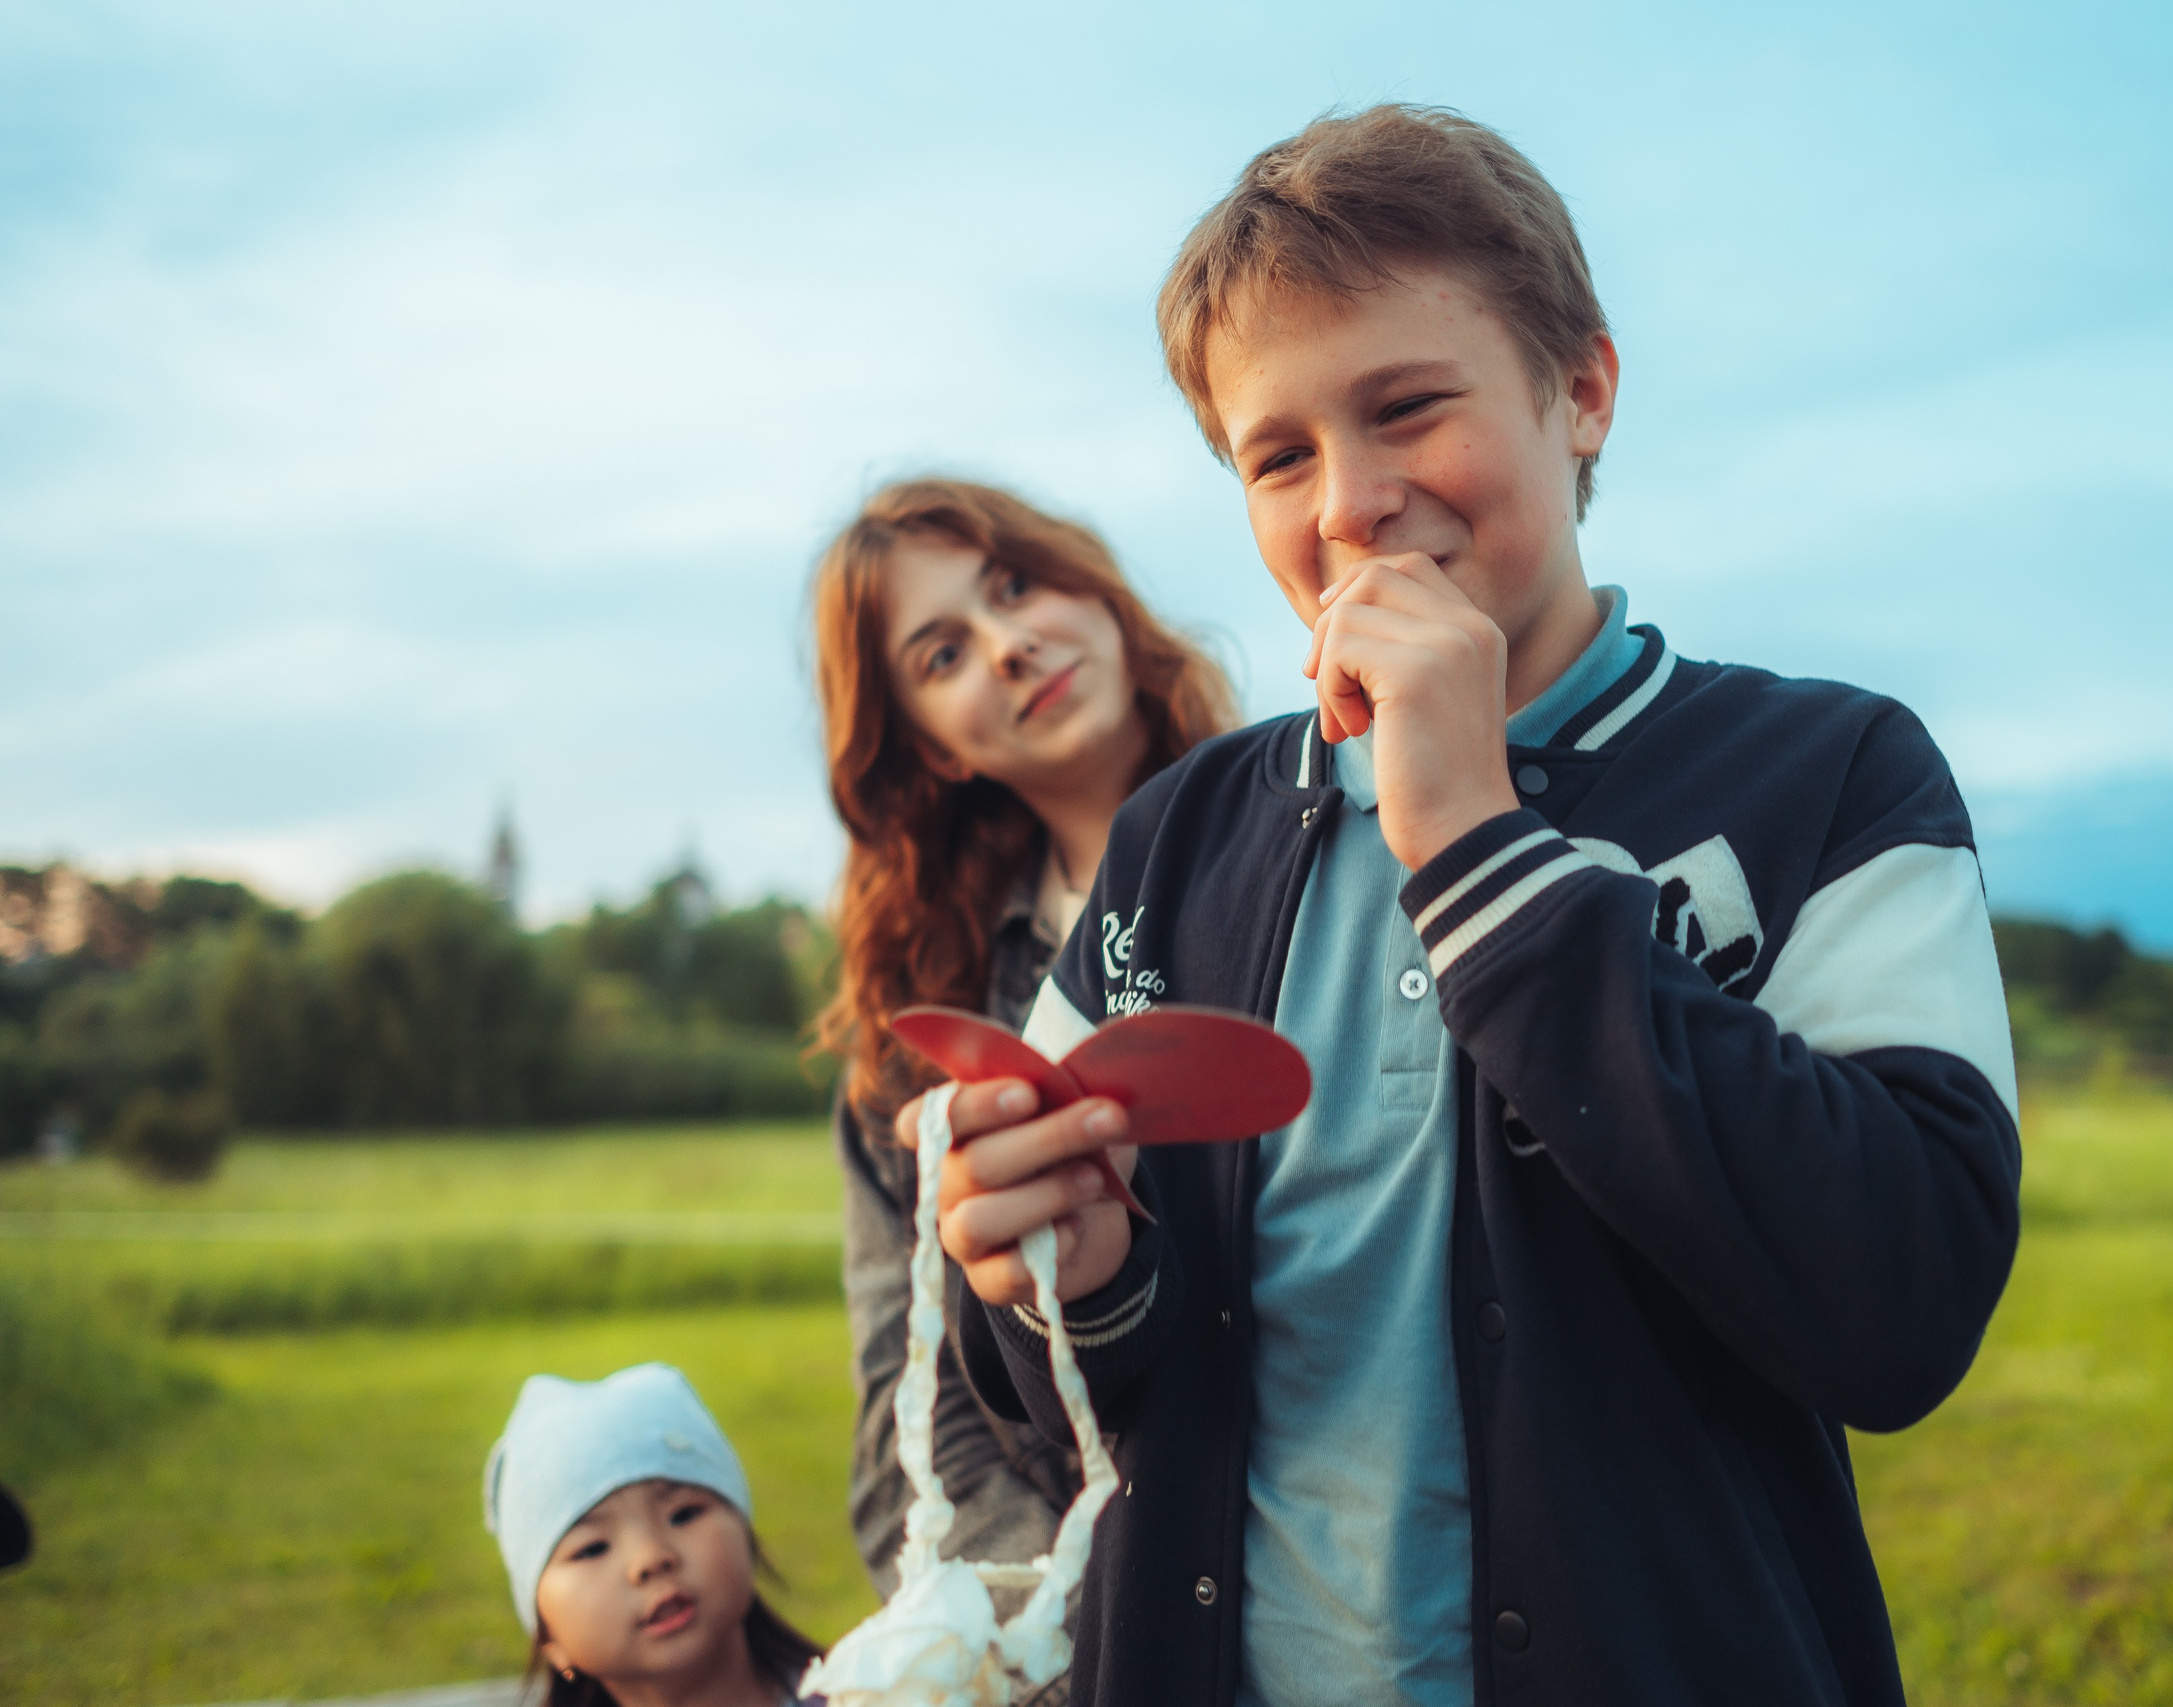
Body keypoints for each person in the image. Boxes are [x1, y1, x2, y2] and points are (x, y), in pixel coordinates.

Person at [910, 106, 2024, 1706]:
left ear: (1581, 391)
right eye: (1276, 454)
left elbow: (1902, 1301)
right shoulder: (1177, 836)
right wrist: (1069, 1274)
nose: (1349, 503)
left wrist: (1477, 841)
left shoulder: (1830, 773)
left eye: (1407, 407)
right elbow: (1045, 1393)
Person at [805, 478, 1235, 1682]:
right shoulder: (915, 1056)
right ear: (936, 746)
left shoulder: (1345, 840)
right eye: (943, 651)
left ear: (1092, 588)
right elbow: (915, 1411)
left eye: (1014, 584)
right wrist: (1064, 1626)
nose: (1008, 645)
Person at [482, 1362, 825, 1707]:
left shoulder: (862, 1692)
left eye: (683, 1515)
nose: (651, 1558)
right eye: (593, 1548)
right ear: (548, 1639)